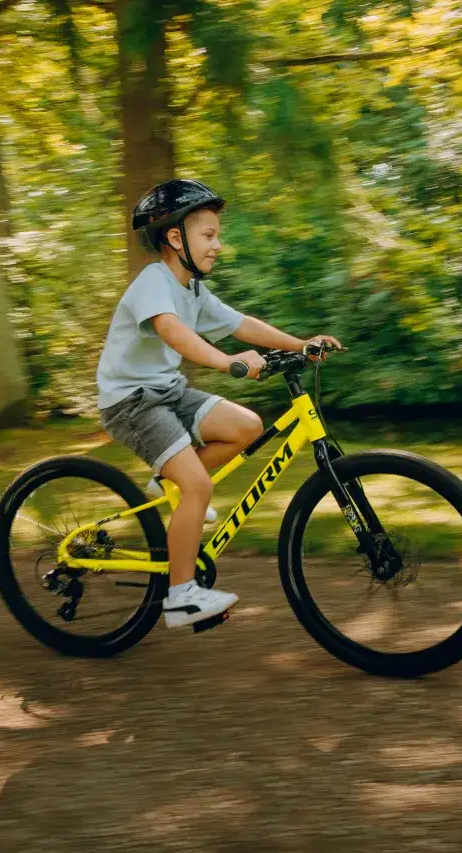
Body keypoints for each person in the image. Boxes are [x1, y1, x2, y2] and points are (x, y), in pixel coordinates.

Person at [96, 178, 341, 629]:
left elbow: (242, 324)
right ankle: (181, 596)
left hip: (166, 390)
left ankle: (166, 482)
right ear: (175, 238)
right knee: (198, 488)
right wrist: (228, 363)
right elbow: (173, 332)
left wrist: (302, 343)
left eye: (216, 236)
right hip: (131, 401)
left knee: (247, 426)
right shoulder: (153, 282)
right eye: (208, 236)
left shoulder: (192, 290)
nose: (218, 246)